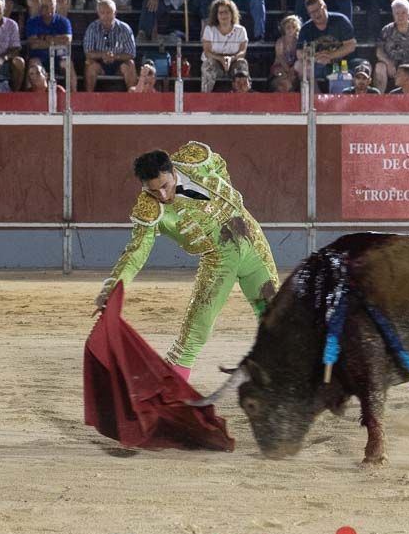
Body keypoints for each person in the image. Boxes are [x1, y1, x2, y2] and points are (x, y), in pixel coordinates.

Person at [94, 144, 280, 381]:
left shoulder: (196, 159)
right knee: (196, 329)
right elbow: (136, 252)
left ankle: (283, 379)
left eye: (164, 186)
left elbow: (219, 163)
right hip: (219, 260)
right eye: (152, 191)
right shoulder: (149, 209)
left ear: (173, 172)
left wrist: (228, 202)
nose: (162, 196)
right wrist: (111, 288)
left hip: (251, 240)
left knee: (273, 312)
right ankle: (171, 389)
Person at [296, 0, 357, 90]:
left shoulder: (341, 20)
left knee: (342, 79)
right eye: (312, 12)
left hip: (342, 64)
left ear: (324, 7)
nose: (316, 14)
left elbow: (351, 45)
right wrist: (315, 57)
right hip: (317, 63)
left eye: (317, 10)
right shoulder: (306, 28)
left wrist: (330, 56)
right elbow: (299, 53)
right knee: (299, 66)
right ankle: (316, 99)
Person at [82, 0, 136, 90]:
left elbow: (131, 53)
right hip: (99, 63)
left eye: (109, 12)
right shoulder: (92, 28)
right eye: (103, 13)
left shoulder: (125, 28)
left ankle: (134, 98)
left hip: (119, 63)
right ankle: (88, 97)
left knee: (130, 64)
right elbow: (88, 52)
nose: (106, 16)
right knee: (89, 64)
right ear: (98, 14)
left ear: (115, 13)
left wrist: (115, 56)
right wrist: (103, 55)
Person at [200, 0, 249, 92]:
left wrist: (231, 59)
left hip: (234, 61)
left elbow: (242, 52)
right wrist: (221, 59)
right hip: (215, 61)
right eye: (220, 13)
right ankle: (205, 97)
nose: (223, 15)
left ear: (232, 14)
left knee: (242, 64)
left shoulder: (241, 30)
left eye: (226, 12)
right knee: (208, 65)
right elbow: (207, 52)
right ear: (216, 15)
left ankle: (242, 96)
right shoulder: (209, 30)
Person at [25, 0, 74, 81]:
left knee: (67, 64)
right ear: (39, 7)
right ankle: (31, 93)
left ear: (56, 5)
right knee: (33, 65)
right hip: (39, 57)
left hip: (59, 57)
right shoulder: (32, 22)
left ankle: (73, 93)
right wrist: (55, 41)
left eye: (51, 5)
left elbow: (67, 40)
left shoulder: (64, 22)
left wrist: (44, 39)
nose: (49, 9)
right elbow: (33, 44)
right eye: (45, 6)